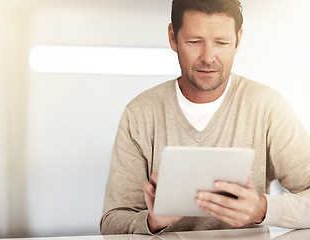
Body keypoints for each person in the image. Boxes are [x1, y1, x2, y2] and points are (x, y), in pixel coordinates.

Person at [100, 0, 310, 235]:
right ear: (173, 38)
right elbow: (111, 221)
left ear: (238, 40)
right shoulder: (141, 113)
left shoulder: (267, 107)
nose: (208, 57)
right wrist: (152, 221)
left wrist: (262, 208)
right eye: (194, 41)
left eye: (221, 42)